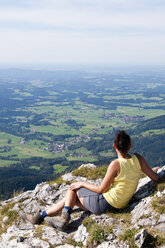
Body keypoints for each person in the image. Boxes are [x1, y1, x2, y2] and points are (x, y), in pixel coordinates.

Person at [19, 130, 160, 231]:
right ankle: (39, 216)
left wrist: (82, 183)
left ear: (114, 146)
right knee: (70, 198)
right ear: (129, 146)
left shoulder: (116, 164)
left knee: (74, 189)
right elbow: (155, 178)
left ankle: (63, 219)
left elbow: (101, 190)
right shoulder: (138, 159)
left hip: (105, 204)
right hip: (120, 204)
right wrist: (153, 170)